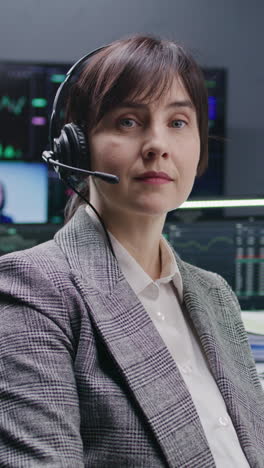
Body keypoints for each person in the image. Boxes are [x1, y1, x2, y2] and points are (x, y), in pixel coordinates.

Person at [0, 35, 263, 468]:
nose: (157, 144)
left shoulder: (214, 294)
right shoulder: (31, 289)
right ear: (77, 147)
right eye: (127, 121)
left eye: (178, 122)